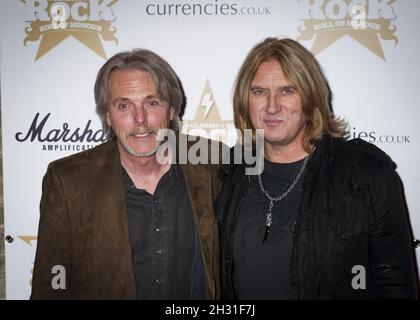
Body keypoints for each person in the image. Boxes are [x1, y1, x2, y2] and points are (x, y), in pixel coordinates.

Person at [216, 37, 418, 299]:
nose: (272, 106)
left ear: (311, 98)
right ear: (245, 100)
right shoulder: (231, 172)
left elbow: (396, 286)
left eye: (287, 90)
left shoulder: (365, 174)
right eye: (259, 92)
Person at [31, 49, 221, 299]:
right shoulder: (68, 181)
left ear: (172, 110)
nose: (140, 118)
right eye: (124, 105)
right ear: (107, 115)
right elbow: (51, 283)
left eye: (152, 103)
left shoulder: (212, 164)